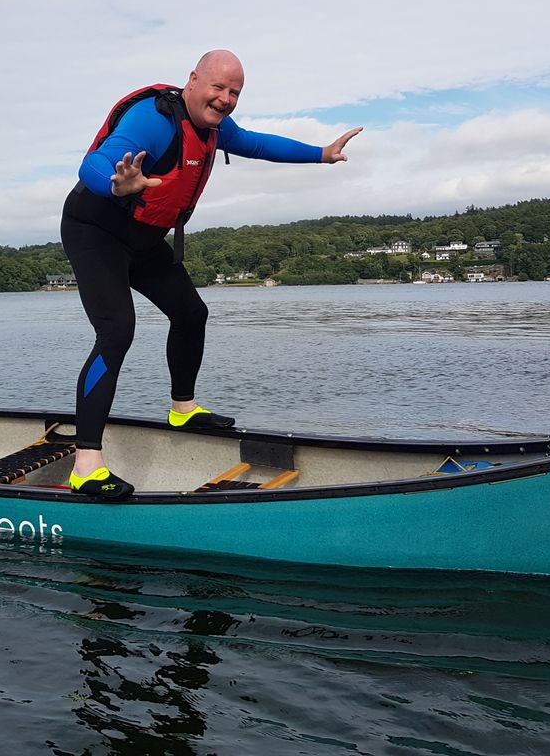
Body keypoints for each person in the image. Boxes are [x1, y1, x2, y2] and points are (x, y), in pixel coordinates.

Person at [62, 49, 362, 498]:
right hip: (95, 232)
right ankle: (87, 465)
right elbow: (95, 163)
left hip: (141, 238)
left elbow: (259, 145)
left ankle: (183, 408)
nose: (225, 99)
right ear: (193, 80)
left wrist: (321, 154)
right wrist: (114, 182)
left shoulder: (213, 128)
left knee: (190, 313)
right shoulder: (155, 120)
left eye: (234, 92)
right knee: (117, 330)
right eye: (218, 87)